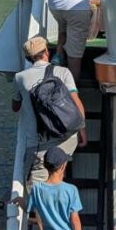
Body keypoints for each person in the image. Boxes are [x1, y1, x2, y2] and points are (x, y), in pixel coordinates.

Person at [12, 35, 86, 183]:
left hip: (40, 143)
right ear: (46, 51)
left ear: (29, 58)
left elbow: (15, 107)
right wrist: (82, 130)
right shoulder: (63, 72)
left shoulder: (20, 78)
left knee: (38, 183)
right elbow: (76, 101)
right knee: (59, 171)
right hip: (67, 137)